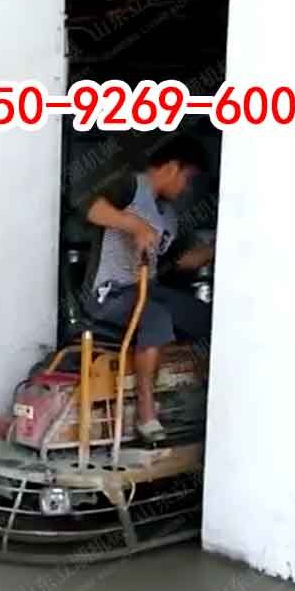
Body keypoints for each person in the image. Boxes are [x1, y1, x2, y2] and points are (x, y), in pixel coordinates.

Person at [78, 135, 213, 443]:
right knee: (156, 317)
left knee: (204, 318)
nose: (187, 189)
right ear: (171, 168)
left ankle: (200, 398)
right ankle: (146, 412)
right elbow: (88, 205)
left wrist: (216, 249)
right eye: (188, 179)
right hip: (108, 294)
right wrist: (134, 225)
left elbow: (178, 261)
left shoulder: (168, 215)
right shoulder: (130, 187)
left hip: (147, 288)